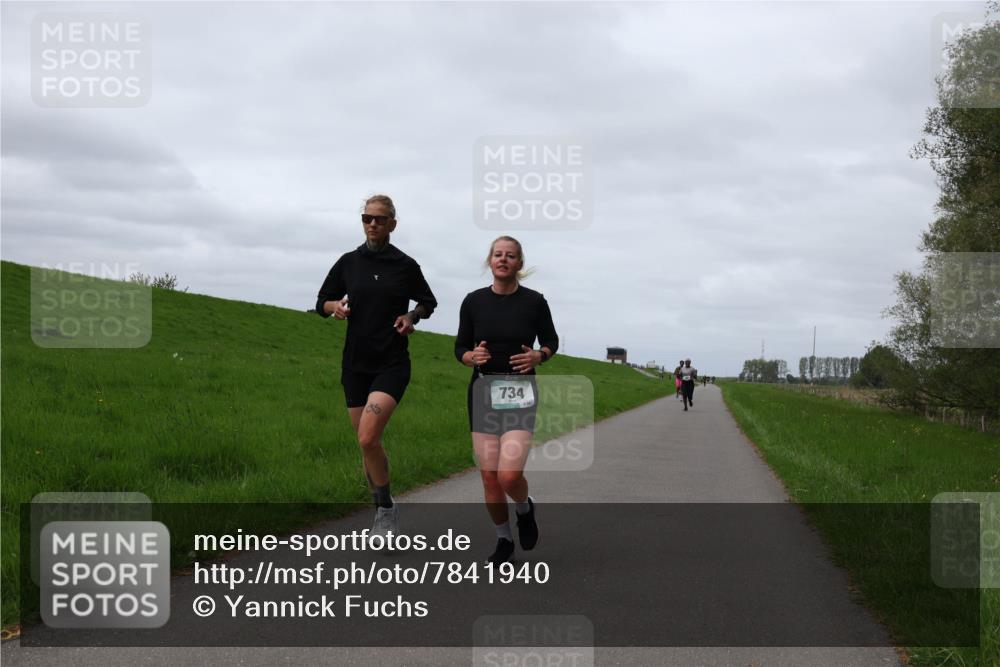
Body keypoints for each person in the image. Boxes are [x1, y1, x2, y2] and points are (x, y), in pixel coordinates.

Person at [315, 194, 437, 539]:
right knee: (366, 443)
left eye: (380, 219)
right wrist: (334, 306)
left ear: (392, 225)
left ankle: (385, 511)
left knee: (369, 436)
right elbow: (321, 300)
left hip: (391, 363)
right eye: (367, 218)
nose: (372, 223)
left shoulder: (405, 265)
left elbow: (428, 301)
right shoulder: (348, 262)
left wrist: (411, 315)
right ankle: (383, 504)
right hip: (355, 365)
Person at [455, 236, 558, 565]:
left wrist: (539, 356)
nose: (503, 260)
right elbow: (460, 348)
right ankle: (503, 540)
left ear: (519, 263)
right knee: (489, 475)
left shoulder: (535, 302)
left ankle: (525, 508)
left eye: (510, 256)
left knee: (509, 475)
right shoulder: (473, 302)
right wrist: (471, 356)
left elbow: (551, 341)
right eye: (498, 255)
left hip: (519, 391)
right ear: (490, 261)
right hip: (483, 390)